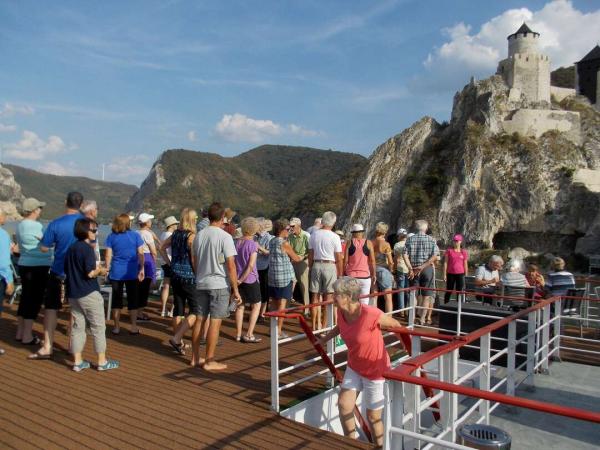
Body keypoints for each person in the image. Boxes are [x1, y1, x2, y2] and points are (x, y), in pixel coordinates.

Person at [317, 277, 401, 447]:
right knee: (344, 405)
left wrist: (407, 345)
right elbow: (340, 327)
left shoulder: (371, 314)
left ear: (348, 296)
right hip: (355, 366)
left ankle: (380, 447)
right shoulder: (341, 312)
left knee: (373, 416)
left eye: (336, 295)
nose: (333, 298)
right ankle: (352, 443)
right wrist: (325, 339)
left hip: (375, 370)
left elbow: (396, 325)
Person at [30, 191, 83, 360]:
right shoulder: (87, 223)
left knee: (51, 308)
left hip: (58, 270)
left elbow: (44, 248)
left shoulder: (55, 223)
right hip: (78, 273)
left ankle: (47, 346)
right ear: (81, 205)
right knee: (76, 311)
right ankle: (73, 348)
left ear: (65, 202)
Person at [190, 202, 241, 371]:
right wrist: (235, 289)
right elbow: (231, 265)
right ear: (222, 218)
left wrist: (200, 276)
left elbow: (194, 260)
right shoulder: (225, 237)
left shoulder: (199, 235)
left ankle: (195, 358)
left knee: (199, 320)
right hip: (219, 283)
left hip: (201, 282)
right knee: (215, 322)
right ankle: (210, 360)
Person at [65, 218, 119, 372]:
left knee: (78, 327)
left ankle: (78, 361)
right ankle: (102, 361)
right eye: (94, 230)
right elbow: (90, 273)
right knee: (98, 327)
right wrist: (101, 271)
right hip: (88, 292)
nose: (96, 233)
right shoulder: (87, 249)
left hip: (73, 293)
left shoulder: (72, 248)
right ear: (85, 232)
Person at [15, 198, 51, 345]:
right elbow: (45, 244)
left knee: (25, 297)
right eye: (39, 208)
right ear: (35, 210)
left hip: (24, 263)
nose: (41, 211)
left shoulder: (20, 225)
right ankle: (27, 335)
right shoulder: (35, 226)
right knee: (34, 299)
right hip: (38, 266)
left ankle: (20, 331)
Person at [163, 209, 198, 351]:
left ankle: (178, 341)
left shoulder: (175, 234)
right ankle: (177, 338)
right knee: (196, 310)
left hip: (175, 275)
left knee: (179, 309)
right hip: (189, 277)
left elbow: (161, 247)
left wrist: (170, 263)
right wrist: (198, 274)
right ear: (191, 220)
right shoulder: (191, 236)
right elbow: (194, 259)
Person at [105, 214, 145, 335]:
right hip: (131, 272)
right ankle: (133, 327)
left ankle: (116, 327)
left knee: (116, 300)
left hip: (116, 272)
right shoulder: (136, 235)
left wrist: (107, 269)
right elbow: (140, 254)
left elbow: (108, 255)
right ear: (128, 223)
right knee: (133, 299)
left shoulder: (111, 237)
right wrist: (142, 268)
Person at [308, 211, 343, 330]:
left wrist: (310, 268)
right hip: (330, 266)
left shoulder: (314, 235)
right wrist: (340, 274)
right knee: (328, 298)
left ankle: (313, 326)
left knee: (315, 297)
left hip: (316, 265)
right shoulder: (335, 237)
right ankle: (324, 327)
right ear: (333, 223)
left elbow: (310, 255)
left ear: (323, 221)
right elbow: (338, 258)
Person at [268, 219, 302, 339]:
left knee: (273, 303)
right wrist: (302, 256)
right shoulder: (284, 243)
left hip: (272, 276)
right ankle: (278, 331)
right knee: (283, 304)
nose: (289, 231)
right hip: (284, 277)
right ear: (281, 230)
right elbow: (296, 258)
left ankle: (272, 329)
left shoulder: (271, 241)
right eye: (287, 229)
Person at [402, 220, 439, 325]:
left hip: (413, 269)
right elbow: (435, 256)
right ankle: (422, 319)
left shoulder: (410, 239)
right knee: (427, 296)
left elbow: (404, 254)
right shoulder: (431, 240)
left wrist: (410, 268)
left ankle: (412, 318)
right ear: (426, 228)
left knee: (413, 294)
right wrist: (422, 266)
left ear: (416, 228)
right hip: (427, 269)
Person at [234, 217, 262, 343]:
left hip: (238, 278)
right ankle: (249, 334)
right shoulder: (253, 245)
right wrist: (242, 279)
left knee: (240, 306)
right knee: (256, 305)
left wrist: (238, 280)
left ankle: (238, 334)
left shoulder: (237, 242)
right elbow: (251, 266)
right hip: (249, 279)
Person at [344, 224, 375, 306]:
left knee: (351, 302)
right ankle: (363, 318)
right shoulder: (368, 243)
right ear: (362, 233)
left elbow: (346, 261)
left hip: (351, 277)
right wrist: (374, 274)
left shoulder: (349, 243)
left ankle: (352, 318)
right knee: (364, 302)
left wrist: (343, 273)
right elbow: (372, 261)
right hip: (365, 277)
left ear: (353, 233)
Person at [137, 213, 159, 321]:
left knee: (139, 286)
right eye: (150, 220)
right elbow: (153, 251)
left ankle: (137, 310)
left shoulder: (136, 233)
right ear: (146, 223)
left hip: (137, 259)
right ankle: (139, 313)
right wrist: (154, 263)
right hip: (147, 259)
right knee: (145, 287)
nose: (151, 222)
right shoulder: (147, 234)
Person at [0, 209, 15, 355]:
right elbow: (4, 262)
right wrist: (10, 281)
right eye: (4, 214)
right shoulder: (3, 235)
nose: (6, 217)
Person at [288, 218, 310, 310]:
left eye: (293, 226)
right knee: (289, 284)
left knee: (304, 285)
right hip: (292, 261)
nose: (291, 228)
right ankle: (287, 306)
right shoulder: (290, 236)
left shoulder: (306, 235)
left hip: (302, 262)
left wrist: (303, 257)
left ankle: (307, 308)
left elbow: (310, 251)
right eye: (290, 226)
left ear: (299, 226)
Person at [372, 222, 394, 313]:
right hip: (383, 270)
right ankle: (389, 317)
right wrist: (392, 272)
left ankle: (374, 318)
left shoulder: (370, 242)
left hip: (372, 270)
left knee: (374, 295)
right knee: (388, 297)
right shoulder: (386, 244)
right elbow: (390, 262)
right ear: (384, 232)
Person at [160, 216, 179, 317]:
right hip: (171, 262)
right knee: (176, 287)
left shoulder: (163, 234)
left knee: (166, 286)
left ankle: (163, 309)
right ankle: (172, 311)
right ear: (171, 225)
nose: (177, 225)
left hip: (164, 263)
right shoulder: (172, 235)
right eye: (175, 224)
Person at [442, 234, 469, 304]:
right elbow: (445, 263)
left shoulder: (464, 252)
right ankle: (445, 305)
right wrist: (444, 275)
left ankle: (459, 306)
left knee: (459, 291)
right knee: (449, 290)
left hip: (461, 274)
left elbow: (465, 264)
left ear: (460, 241)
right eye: (454, 241)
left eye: (457, 241)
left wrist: (466, 276)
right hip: (450, 273)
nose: (455, 242)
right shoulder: (449, 251)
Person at [256, 218, 273, 319]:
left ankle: (261, 314)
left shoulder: (268, 238)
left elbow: (269, 252)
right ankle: (259, 312)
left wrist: (259, 247)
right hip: (256, 266)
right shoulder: (256, 237)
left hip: (264, 267)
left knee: (264, 290)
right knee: (258, 290)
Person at [393, 228, 409, 317]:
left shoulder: (397, 245)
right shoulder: (410, 244)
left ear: (399, 236)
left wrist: (394, 270)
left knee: (401, 290)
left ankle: (402, 311)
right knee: (408, 290)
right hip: (410, 269)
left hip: (401, 269)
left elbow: (395, 259)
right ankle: (408, 309)